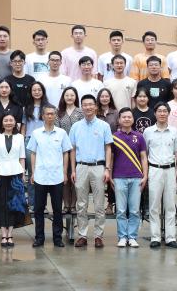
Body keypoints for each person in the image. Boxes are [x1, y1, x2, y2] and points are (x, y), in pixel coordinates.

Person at [68, 95, 113, 248]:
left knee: (99, 204)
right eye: (85, 105)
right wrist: (73, 169)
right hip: (81, 167)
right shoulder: (76, 127)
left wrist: (107, 169)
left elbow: (108, 148)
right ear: (82, 107)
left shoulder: (104, 126)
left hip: (98, 167)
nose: (88, 107)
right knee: (81, 204)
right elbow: (72, 149)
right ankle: (82, 235)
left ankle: (98, 236)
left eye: (90, 104)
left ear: (95, 106)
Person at [28, 105, 72, 248]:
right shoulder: (36, 133)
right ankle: (39, 238)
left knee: (57, 209)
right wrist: (33, 172)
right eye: (47, 114)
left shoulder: (62, 133)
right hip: (40, 176)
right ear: (43, 116)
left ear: (55, 116)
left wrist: (64, 172)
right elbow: (33, 153)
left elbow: (66, 153)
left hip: (57, 176)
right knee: (39, 209)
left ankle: (57, 238)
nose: (50, 116)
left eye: (52, 114)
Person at [143, 103, 177, 249]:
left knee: (170, 205)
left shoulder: (174, 131)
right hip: (155, 170)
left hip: (170, 170)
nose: (162, 113)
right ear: (155, 113)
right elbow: (144, 154)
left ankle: (170, 237)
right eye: (159, 111)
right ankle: (155, 237)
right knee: (154, 205)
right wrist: (145, 174)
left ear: (168, 113)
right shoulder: (148, 132)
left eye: (165, 111)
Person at [0, 113, 26, 248]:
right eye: (6, 120)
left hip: (16, 174)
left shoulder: (20, 137)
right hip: (0, 173)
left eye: (11, 120)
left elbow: (22, 157)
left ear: (15, 123)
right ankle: (3, 234)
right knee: (1, 204)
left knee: (13, 204)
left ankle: (10, 234)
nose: (8, 122)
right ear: (2, 123)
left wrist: (23, 174)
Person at [111, 107, 146, 248]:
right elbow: (111, 158)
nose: (126, 119)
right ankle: (122, 237)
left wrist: (145, 175)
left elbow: (143, 157)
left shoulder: (139, 136)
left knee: (134, 210)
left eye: (129, 117)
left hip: (137, 177)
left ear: (133, 119)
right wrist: (111, 176)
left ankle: (132, 237)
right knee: (120, 210)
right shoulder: (114, 137)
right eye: (124, 117)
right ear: (119, 120)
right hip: (119, 177)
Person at [57, 87, 84, 213]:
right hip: (61, 150)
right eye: (67, 95)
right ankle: (66, 205)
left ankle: (73, 205)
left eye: (72, 95)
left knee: (75, 177)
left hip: (77, 149)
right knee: (64, 178)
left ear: (76, 97)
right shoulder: (58, 112)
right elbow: (57, 131)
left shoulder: (80, 112)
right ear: (63, 97)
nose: (69, 97)